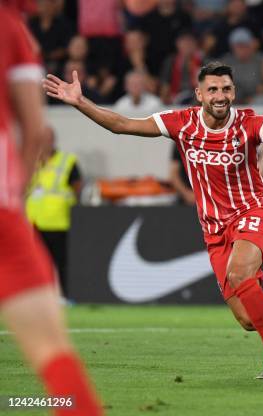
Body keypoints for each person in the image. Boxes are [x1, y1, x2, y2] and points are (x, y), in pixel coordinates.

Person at [43, 61, 263, 379]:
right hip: (214, 228)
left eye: (225, 89)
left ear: (233, 92)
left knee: (239, 274)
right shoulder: (182, 123)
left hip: (254, 212)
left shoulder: (247, 124)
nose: (220, 96)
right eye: (213, 90)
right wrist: (81, 103)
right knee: (250, 320)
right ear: (199, 93)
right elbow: (122, 124)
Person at [0, 2, 103, 415]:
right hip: (6, 213)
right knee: (52, 353)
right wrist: (16, 189)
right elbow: (34, 128)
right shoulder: (11, 28)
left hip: (39, 220)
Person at [26, 126, 82, 298]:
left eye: (47, 139)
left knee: (62, 263)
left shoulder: (66, 161)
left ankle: (67, 297)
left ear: (53, 141)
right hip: (34, 222)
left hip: (58, 221)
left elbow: (77, 186)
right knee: (35, 264)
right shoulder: (31, 161)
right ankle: (39, 297)